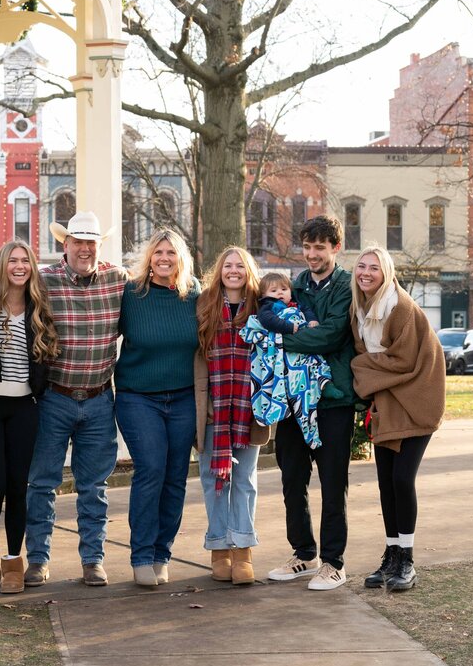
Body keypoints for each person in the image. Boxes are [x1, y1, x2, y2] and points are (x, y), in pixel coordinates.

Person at [25, 211, 126, 588]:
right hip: (55, 397)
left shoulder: (118, 280)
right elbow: (2, 295)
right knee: (42, 483)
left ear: (99, 247)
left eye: (91, 243)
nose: (84, 249)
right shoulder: (44, 280)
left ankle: (93, 559)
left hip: (100, 399)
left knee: (94, 487)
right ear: (64, 244)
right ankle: (38, 559)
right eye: (77, 242)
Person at [266, 214, 358, 591]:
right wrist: (300, 331)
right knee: (292, 480)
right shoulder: (296, 284)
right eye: (307, 246)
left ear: (335, 247)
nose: (312, 254)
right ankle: (304, 554)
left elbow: (332, 337)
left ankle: (334, 563)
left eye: (320, 247)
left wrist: (283, 340)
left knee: (333, 482)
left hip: (333, 400)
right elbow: (272, 317)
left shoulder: (346, 286)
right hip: (293, 398)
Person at [349, 245, 445, 592]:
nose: (366, 273)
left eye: (374, 267)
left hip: (417, 397)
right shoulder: (358, 308)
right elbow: (367, 351)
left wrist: (360, 369)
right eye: (361, 266)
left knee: (403, 479)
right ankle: (391, 553)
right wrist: (368, 369)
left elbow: (402, 362)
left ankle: (407, 560)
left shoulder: (400, 307)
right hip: (388, 399)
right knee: (386, 482)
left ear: (386, 272)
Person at [0, 240, 59, 594]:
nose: (19, 266)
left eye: (25, 261)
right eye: (13, 260)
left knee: (18, 488)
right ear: (2, 265)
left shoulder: (39, 306)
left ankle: (13, 563)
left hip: (24, 406)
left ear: (32, 268)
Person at [113, 229, 200, 587]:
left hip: (183, 398)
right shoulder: (131, 295)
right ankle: (141, 555)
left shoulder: (194, 294)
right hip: (139, 397)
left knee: (176, 474)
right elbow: (101, 333)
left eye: (172, 253)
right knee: (151, 469)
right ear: (150, 257)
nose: (165, 258)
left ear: (182, 258)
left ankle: (163, 552)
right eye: (159, 252)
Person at [194, 246, 269, 586]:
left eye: (240, 265)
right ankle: (219, 548)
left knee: (245, 481)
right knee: (214, 482)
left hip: (248, 408)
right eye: (228, 265)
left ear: (248, 270)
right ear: (219, 270)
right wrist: (204, 403)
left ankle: (242, 549)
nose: (234, 271)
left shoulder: (261, 306)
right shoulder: (204, 303)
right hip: (214, 408)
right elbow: (197, 356)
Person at [244, 272, 332, 450]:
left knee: (316, 364)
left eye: (284, 289)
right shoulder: (268, 307)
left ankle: (324, 382)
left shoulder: (296, 304)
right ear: (263, 295)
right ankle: (308, 429)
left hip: (303, 350)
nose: (279, 293)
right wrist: (290, 327)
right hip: (285, 354)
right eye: (274, 290)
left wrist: (312, 320)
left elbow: (306, 311)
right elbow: (268, 321)